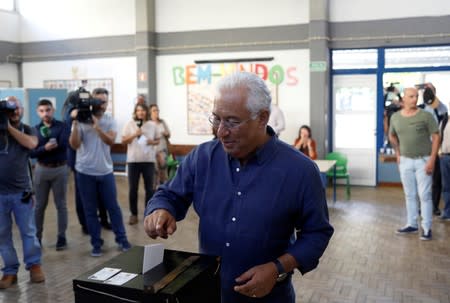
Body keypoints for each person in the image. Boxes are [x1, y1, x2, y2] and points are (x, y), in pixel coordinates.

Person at [143, 72, 333, 302]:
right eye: (216, 119)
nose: (221, 131)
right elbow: (170, 194)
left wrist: (277, 268)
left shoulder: (300, 171)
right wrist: (160, 209)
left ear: (263, 118)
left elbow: (317, 233)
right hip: (210, 291)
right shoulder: (202, 158)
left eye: (232, 121)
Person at [69, 88, 131, 257]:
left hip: (105, 171)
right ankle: (96, 243)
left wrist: (96, 126)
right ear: (91, 101)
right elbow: (74, 145)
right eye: (98, 101)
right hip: (84, 172)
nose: (101, 104)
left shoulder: (110, 120)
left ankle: (122, 239)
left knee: (113, 207)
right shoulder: (81, 120)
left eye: (104, 101)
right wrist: (75, 123)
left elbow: (110, 141)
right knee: (90, 210)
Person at [0, 96, 45, 289]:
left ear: (22, 109)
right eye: (10, 109)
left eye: (17, 108)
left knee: (28, 232)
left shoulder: (27, 129)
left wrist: (8, 127)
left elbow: (32, 144)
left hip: (22, 193)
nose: (14, 112)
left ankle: (34, 265)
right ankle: (10, 271)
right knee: (2, 235)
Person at [389, 87, 440, 241]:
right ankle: (412, 224)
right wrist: (398, 153)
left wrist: (432, 159)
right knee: (409, 195)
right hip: (405, 161)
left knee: (424, 195)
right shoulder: (396, 117)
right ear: (403, 98)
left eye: (416, 96)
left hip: (423, 161)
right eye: (411, 96)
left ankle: (426, 228)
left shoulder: (426, 116)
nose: (415, 99)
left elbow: (436, 137)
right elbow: (392, 135)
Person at [63, 92, 112, 234]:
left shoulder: (95, 114)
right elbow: (68, 124)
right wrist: (73, 115)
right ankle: (85, 224)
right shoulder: (72, 111)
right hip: (80, 160)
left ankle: (103, 219)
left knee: (101, 193)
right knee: (82, 195)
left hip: (99, 161)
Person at [30, 99, 69, 250]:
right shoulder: (34, 130)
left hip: (60, 169)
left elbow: (64, 145)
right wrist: (44, 148)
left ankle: (61, 237)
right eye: (42, 111)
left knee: (61, 205)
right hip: (41, 169)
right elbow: (32, 153)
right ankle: (37, 238)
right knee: (39, 206)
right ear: (37, 112)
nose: (45, 113)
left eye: (48, 110)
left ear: (53, 110)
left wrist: (46, 147)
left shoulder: (62, 126)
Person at [121, 103, 159, 225]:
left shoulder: (152, 125)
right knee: (133, 189)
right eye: (138, 110)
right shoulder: (130, 124)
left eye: (142, 110)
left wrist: (151, 141)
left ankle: (148, 213)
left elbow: (158, 140)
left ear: (146, 112)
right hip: (133, 161)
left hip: (148, 161)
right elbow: (123, 141)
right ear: (135, 112)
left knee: (149, 189)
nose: (140, 113)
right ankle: (134, 214)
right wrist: (134, 135)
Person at [419, 83, 448, 216]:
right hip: (422, 148)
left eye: (430, 91)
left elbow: (444, 128)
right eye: (426, 91)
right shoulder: (419, 108)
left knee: (436, 180)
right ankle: (422, 206)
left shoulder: (441, 108)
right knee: (422, 179)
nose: (428, 93)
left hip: (436, 148)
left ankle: (434, 206)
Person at [149, 104, 171, 186]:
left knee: (163, 170)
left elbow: (169, 134)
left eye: (157, 110)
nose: (156, 112)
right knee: (155, 171)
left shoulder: (162, 122)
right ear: (150, 112)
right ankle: (155, 190)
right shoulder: (148, 123)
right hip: (152, 151)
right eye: (154, 110)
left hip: (163, 150)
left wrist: (166, 133)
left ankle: (164, 189)